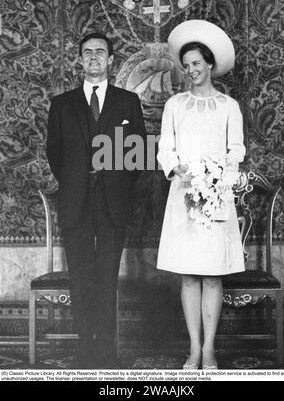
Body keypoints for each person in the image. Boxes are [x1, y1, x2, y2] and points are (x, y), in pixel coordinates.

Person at [46, 32, 146, 369]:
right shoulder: (62, 104)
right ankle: (84, 347)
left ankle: (106, 348)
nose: (93, 58)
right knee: (81, 276)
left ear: (110, 60)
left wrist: (113, 182)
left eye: (99, 52)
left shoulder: (127, 101)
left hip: (112, 204)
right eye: (87, 52)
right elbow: (55, 155)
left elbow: (136, 153)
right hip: (75, 203)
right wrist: (78, 182)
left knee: (106, 276)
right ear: (79, 59)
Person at [157, 20, 246, 370]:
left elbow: (235, 150)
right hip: (184, 196)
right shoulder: (175, 105)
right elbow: (167, 148)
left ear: (209, 64)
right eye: (186, 65)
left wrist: (220, 180)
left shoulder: (229, 106)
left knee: (212, 274)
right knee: (189, 274)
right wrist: (178, 170)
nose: (191, 70)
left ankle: (210, 349)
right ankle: (194, 348)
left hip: (217, 197)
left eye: (197, 63)